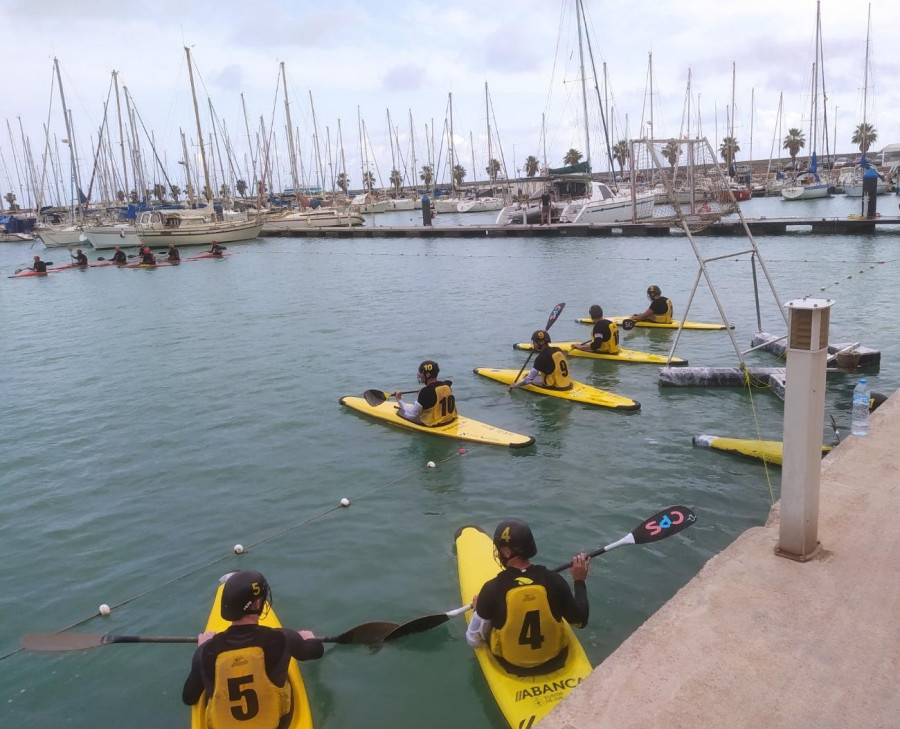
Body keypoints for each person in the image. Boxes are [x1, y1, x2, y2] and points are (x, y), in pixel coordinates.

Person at [182, 570, 324, 727]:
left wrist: (201, 649)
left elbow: (189, 697)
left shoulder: (206, 652)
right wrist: (308, 638)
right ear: (257, 604)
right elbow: (316, 651)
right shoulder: (283, 638)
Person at [465, 519, 590, 676]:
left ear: (507, 552)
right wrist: (579, 581)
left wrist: (481, 610)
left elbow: (474, 640)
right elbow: (580, 622)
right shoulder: (554, 580)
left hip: (511, 666)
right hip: (556, 661)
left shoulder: (492, 588)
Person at [394, 360, 457, 426]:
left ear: (427, 374)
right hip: (451, 419)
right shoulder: (446, 385)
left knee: (401, 412)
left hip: (436, 424)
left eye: (421, 373)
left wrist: (399, 400)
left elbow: (411, 414)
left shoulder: (426, 391)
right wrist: (424, 390)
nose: (420, 375)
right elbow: (435, 390)